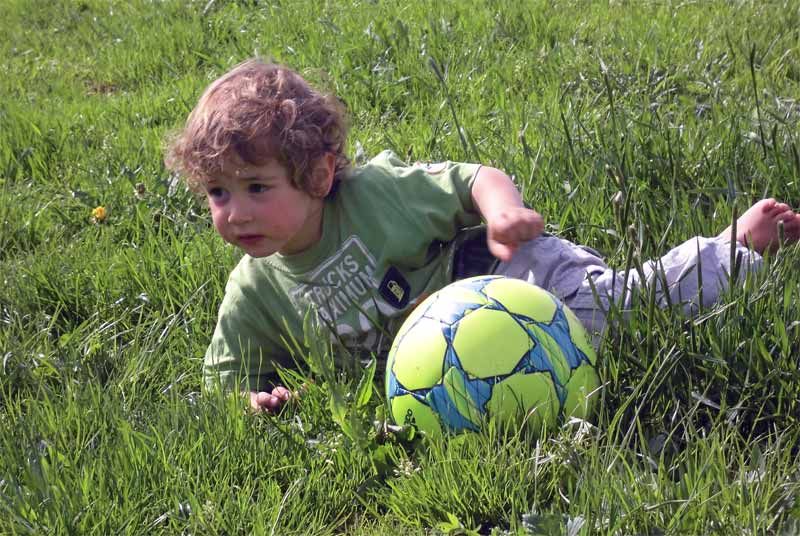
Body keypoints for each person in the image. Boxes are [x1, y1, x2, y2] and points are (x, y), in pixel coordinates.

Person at [165, 58, 800, 413]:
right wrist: (255, 406)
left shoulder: (374, 197)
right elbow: (223, 384)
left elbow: (477, 178)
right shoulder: (254, 292)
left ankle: (733, 250)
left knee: (614, 312)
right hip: (443, 367)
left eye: (256, 188)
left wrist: (502, 215)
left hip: (510, 278)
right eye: (218, 193)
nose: (234, 213)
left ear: (319, 174)